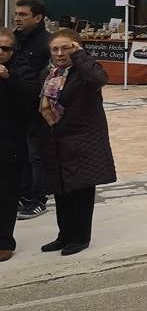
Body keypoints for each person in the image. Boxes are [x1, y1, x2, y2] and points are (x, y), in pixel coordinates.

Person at [36, 28, 117, 256]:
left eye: (66, 47)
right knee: (61, 191)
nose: (60, 53)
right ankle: (64, 235)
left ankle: (80, 237)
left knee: (81, 191)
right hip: (57, 140)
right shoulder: (48, 74)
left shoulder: (85, 71)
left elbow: (99, 80)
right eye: (55, 49)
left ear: (77, 48)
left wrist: (80, 56)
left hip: (83, 140)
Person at [12, 0, 51, 220]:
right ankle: (23, 194)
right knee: (19, 153)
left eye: (23, 14)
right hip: (15, 106)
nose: (17, 17)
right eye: (16, 13)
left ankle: (37, 199)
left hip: (36, 108)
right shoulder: (13, 40)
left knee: (36, 155)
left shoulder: (47, 43)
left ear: (38, 18)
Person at [0, 27, 34, 261]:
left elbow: (30, 99)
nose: (0, 52)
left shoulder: (21, 70)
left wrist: (8, 78)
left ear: (13, 50)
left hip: (9, 144)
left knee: (6, 196)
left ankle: (4, 241)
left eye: (4, 48)